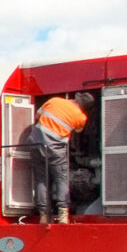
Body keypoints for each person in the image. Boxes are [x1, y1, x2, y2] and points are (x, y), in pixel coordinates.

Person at [27, 92, 94, 224]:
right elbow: (79, 131)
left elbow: (37, 115)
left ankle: (43, 215)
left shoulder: (54, 100)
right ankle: (63, 215)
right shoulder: (81, 117)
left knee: (41, 180)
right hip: (56, 149)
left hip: (36, 144)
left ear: (76, 99)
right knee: (61, 178)